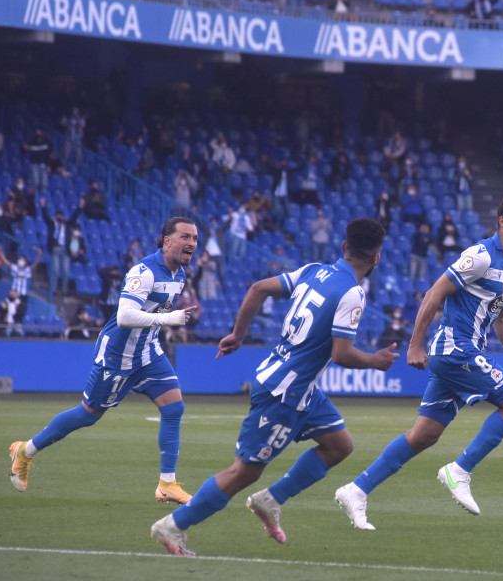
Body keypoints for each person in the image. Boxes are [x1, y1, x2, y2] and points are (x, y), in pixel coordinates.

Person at [150, 218, 398, 556]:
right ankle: (172, 526)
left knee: (339, 445)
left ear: (343, 247)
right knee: (244, 471)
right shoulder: (352, 293)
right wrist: (375, 360)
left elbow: (257, 289)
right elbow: (342, 353)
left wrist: (239, 334)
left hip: (298, 386)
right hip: (285, 393)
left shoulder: (314, 270)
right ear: (377, 257)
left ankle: (271, 500)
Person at [335, 195, 503, 529]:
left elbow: (502, 317)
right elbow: (434, 293)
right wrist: (415, 344)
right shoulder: (480, 256)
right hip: (456, 349)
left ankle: (356, 490)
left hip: (467, 353)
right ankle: (459, 471)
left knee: (423, 435)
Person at [9, 218, 200, 504]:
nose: (192, 243)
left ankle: (167, 484)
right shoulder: (144, 271)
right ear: (167, 240)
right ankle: (24, 451)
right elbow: (124, 316)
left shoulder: (180, 275)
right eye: (185, 236)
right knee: (87, 415)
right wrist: (169, 318)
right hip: (118, 357)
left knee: (174, 407)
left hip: (148, 353)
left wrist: (162, 323)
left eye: (195, 238)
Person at [41, 196, 83, 297]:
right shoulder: (52, 224)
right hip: (55, 249)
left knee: (65, 271)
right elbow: (45, 217)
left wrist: (80, 207)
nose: (60, 218)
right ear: (55, 217)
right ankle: (54, 289)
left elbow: (74, 217)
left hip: (65, 250)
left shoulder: (67, 224)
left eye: (61, 216)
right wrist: (43, 206)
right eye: (58, 216)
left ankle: (64, 290)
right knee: (55, 270)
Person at [2, 248, 42, 328]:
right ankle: (8, 327)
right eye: (20, 259)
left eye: (23, 260)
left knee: (19, 311)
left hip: (23, 296)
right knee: (8, 309)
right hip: (13, 294)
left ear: (25, 262)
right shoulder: (14, 268)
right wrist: (1, 252)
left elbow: (35, 264)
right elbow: (6, 263)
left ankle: (18, 327)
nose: (21, 261)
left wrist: (39, 256)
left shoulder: (27, 270)